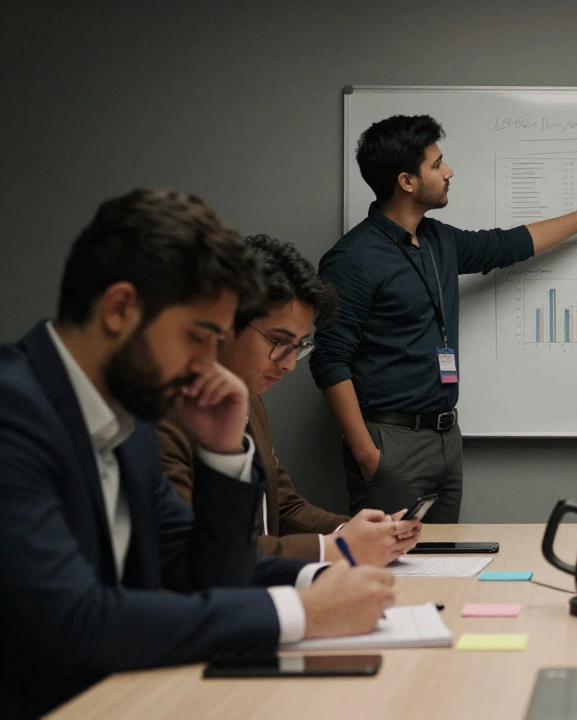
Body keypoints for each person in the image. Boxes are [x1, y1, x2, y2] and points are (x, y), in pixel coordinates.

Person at [0, 190, 395, 718]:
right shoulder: (13, 412)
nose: (211, 363)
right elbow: (74, 621)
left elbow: (205, 574)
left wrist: (223, 451)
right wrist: (298, 610)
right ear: (119, 309)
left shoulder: (127, 420)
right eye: (199, 336)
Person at [311, 114, 577, 520]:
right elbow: (329, 360)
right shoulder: (353, 260)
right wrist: (368, 455)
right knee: (391, 571)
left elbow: (510, 244)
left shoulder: (438, 240)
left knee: (444, 564)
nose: (448, 172)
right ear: (407, 182)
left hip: (446, 438)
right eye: (436, 165)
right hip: (390, 440)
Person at [156, 235, 421, 564]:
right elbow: (199, 552)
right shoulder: (161, 411)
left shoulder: (250, 401)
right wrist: (338, 549)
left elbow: (283, 506)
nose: (289, 363)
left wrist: (359, 532)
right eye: (279, 341)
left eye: (299, 345)